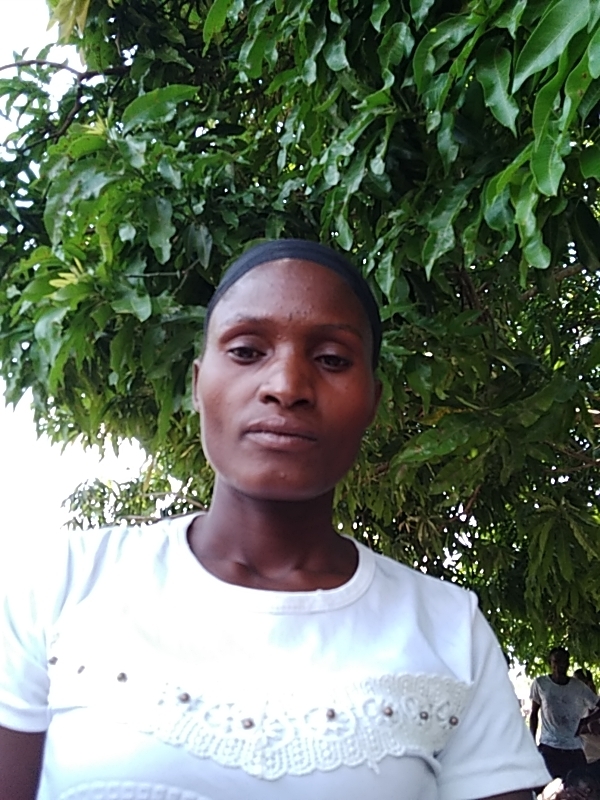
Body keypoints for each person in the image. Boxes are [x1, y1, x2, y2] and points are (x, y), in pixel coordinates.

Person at [0, 240, 551, 800]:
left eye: (332, 359)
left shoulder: (450, 630)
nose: (286, 386)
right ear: (197, 384)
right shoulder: (64, 583)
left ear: (372, 401)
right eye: (246, 351)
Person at [531, 647, 600, 780]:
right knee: (548, 787)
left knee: (579, 786)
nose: (560, 665)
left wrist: (586, 721)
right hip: (549, 747)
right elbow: (534, 714)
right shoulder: (540, 684)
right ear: (550, 663)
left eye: (564, 661)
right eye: (556, 661)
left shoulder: (578, 686)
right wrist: (532, 743)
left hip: (574, 748)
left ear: (568, 663)